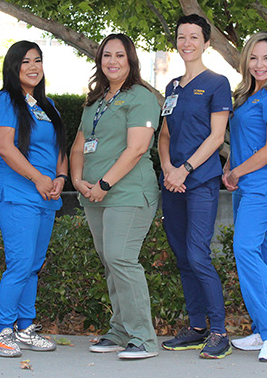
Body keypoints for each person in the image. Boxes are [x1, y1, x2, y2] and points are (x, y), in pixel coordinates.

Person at [70, 33, 160, 360]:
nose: (112, 61)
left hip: (128, 192)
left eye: (119, 55)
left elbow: (137, 148)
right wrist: (78, 180)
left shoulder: (142, 97)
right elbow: (79, 145)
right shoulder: (95, 100)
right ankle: (120, 331)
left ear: (130, 60)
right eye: (107, 55)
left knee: (121, 258)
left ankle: (144, 339)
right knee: (112, 262)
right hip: (94, 195)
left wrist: (103, 184)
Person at [158, 14, 232, 359]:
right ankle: (197, 326)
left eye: (194, 37)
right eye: (181, 36)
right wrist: (169, 169)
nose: (187, 43)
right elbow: (165, 135)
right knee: (183, 256)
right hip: (172, 183)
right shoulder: (172, 87)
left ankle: (219, 331)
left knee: (198, 253)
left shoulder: (218, 84)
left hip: (200, 181)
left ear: (206, 43)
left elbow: (217, 137)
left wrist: (185, 169)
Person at [0, 41, 67, 357]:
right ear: (13, 67)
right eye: (25, 62)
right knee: (20, 263)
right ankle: (3, 330)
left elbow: (61, 148)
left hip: (46, 196)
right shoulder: (6, 100)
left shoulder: (47, 106)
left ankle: (24, 329)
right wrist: (37, 178)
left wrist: (60, 178)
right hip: (18, 193)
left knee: (33, 265)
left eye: (38, 60)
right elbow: (5, 147)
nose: (33, 67)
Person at [222, 31, 267, 362]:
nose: (260, 64)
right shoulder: (244, 95)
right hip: (241, 184)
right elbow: (239, 142)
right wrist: (229, 168)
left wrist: (236, 172)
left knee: (245, 248)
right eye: (254, 57)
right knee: (259, 252)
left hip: (260, 184)